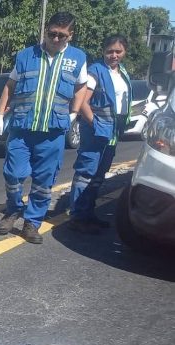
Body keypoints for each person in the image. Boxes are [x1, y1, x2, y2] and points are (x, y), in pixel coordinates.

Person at [0, 12, 88, 244]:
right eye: (52, 34)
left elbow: (81, 86)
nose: (56, 39)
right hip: (22, 128)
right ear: (46, 31)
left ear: (70, 35)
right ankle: (13, 209)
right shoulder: (26, 55)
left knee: (44, 181)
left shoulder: (78, 58)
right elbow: (10, 85)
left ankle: (32, 222)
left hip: (53, 131)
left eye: (61, 36)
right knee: (13, 174)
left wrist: (74, 112)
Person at [67, 35, 132, 234]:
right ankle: (78, 216)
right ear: (103, 51)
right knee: (86, 172)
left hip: (112, 131)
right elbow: (82, 102)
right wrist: (95, 124)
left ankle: (89, 214)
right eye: (110, 51)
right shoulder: (96, 71)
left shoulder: (122, 72)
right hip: (96, 131)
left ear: (124, 52)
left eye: (118, 51)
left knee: (98, 175)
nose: (114, 55)